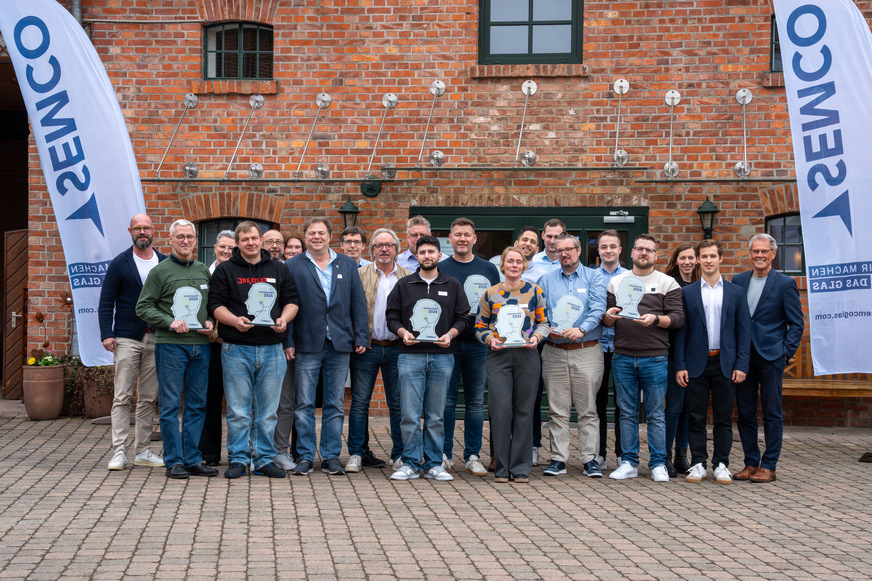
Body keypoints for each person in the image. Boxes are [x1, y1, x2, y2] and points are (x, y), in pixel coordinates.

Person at [209, 221, 300, 479]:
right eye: (245, 239)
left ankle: (263, 459)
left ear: (261, 240)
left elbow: (291, 300)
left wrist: (284, 319)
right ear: (237, 243)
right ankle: (238, 459)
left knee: (267, 411)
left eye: (254, 238)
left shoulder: (278, 269)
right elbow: (215, 305)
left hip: (272, 349)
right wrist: (234, 321)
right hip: (237, 349)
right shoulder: (225, 270)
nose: (250, 242)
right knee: (238, 409)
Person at [285, 217, 368, 477]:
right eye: (312, 233)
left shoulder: (347, 264)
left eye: (321, 233)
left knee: (334, 404)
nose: (317, 237)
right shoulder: (292, 266)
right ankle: (306, 456)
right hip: (306, 342)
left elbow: (358, 303)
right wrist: (287, 340)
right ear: (306, 237)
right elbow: (286, 304)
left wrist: (361, 337)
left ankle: (331, 456)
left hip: (340, 343)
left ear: (330, 237)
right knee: (305, 403)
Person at [135, 219, 216, 479]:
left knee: (197, 405)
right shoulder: (160, 272)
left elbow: (210, 306)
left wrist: (210, 322)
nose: (185, 241)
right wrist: (169, 321)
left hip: (201, 346)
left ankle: (192, 458)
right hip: (171, 346)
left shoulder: (204, 270)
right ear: (170, 240)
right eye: (180, 237)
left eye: (189, 237)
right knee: (170, 406)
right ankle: (173, 461)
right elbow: (143, 307)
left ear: (195, 240)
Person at [386, 235, 469, 481]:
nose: (427, 256)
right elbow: (391, 317)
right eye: (422, 252)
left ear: (439, 255)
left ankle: (434, 463)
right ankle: (410, 462)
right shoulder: (403, 285)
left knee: (436, 414)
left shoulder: (452, 284)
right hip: (409, 356)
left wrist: (451, 334)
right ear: (417, 256)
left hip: (442, 356)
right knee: (409, 413)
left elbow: (464, 318)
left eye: (431, 252)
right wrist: (403, 333)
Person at [604, 234, 685, 482]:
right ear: (631, 253)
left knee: (655, 414)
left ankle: (658, 463)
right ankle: (628, 462)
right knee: (626, 412)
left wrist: (656, 319)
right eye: (639, 249)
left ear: (655, 255)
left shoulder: (667, 283)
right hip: (623, 356)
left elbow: (678, 318)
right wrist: (609, 315)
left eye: (649, 250)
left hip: (655, 358)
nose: (643, 253)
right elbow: (607, 321)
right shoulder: (616, 282)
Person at [674, 240, 750, 484]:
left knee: (723, 418)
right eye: (703, 256)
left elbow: (744, 331)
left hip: (725, 364)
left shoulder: (735, 292)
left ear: (721, 259)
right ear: (698, 260)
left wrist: (741, 364)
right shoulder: (687, 293)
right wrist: (680, 364)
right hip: (696, 364)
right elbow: (681, 333)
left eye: (712, 256)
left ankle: (721, 464)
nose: (708, 260)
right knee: (695, 417)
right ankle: (698, 463)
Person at [731, 233, 804, 483]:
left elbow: (796, 323)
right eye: (755, 251)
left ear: (773, 254)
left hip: (772, 356)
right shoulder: (738, 281)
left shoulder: (784, 283)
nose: (759, 255)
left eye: (764, 251)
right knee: (746, 412)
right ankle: (751, 463)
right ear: (749, 254)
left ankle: (769, 465)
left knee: (772, 412)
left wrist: (785, 353)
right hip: (743, 358)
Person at [475, 247, 549, 483]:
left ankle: (520, 468)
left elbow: (544, 322)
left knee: (525, 411)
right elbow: (480, 326)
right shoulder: (490, 294)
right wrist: (490, 339)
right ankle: (501, 467)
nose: (515, 265)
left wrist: (537, 337)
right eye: (510, 261)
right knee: (501, 410)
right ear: (503, 265)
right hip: (499, 357)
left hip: (527, 356)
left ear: (524, 266)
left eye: (519, 261)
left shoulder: (535, 291)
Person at [98, 213, 166, 471]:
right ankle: (119, 450)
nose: (142, 232)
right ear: (130, 231)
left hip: (157, 337)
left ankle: (144, 450)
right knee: (122, 396)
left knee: (148, 398)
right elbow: (106, 301)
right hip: (127, 337)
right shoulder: (120, 263)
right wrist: (107, 333)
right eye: (137, 229)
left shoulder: (163, 261)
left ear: (153, 230)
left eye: (146, 228)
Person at [538, 233, 607, 478]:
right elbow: (541, 312)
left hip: (586, 350)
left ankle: (590, 460)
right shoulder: (545, 280)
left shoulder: (594, 276)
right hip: (554, 351)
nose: (564, 254)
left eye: (569, 249)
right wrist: (548, 330)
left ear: (579, 251)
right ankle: (558, 459)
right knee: (557, 410)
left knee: (588, 409)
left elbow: (599, 307)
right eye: (559, 250)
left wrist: (582, 329)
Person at [438, 217, 501, 475]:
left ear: (475, 239)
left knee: (475, 402)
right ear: (450, 239)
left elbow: (497, 307)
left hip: (478, 346)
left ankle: (472, 455)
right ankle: (443, 454)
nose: (462, 238)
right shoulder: (440, 267)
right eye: (457, 234)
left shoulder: (488, 269)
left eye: (467, 234)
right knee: (446, 402)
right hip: (447, 345)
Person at [346, 228, 411, 473]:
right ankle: (356, 452)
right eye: (379, 245)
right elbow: (350, 311)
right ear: (371, 249)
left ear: (396, 248)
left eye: (389, 245)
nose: (384, 249)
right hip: (367, 347)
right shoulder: (359, 274)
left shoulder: (407, 276)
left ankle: (400, 454)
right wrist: (357, 338)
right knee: (360, 403)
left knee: (398, 404)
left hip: (398, 348)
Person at [663, 242, 700, 476]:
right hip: (672, 353)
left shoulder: (701, 284)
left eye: (691, 258)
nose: (687, 262)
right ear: (675, 260)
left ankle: (681, 455)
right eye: (682, 258)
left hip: (695, 354)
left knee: (688, 408)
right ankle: (664, 455)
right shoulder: (668, 283)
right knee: (673, 408)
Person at [200, 229, 236, 466]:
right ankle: (209, 454)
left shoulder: (239, 274)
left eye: (232, 248)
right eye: (222, 247)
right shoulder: (203, 274)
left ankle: (239, 453)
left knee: (239, 403)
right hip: (210, 347)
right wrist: (214, 334)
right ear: (214, 248)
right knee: (210, 400)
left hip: (236, 346)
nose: (226, 251)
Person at [594, 230, 626, 470]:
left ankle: (623, 454)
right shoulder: (591, 277)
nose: (608, 250)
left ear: (620, 250)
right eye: (604, 246)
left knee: (624, 404)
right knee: (598, 403)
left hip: (623, 346)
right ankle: (599, 453)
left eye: (612, 246)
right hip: (597, 346)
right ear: (599, 250)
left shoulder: (630, 276)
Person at [275, 230, 305, 468]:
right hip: (268, 342)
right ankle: (261, 450)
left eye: (298, 247)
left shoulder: (300, 271)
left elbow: (295, 309)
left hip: (291, 344)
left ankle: (283, 449)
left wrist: (289, 341)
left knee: (289, 401)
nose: (293, 251)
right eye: (289, 247)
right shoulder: (280, 270)